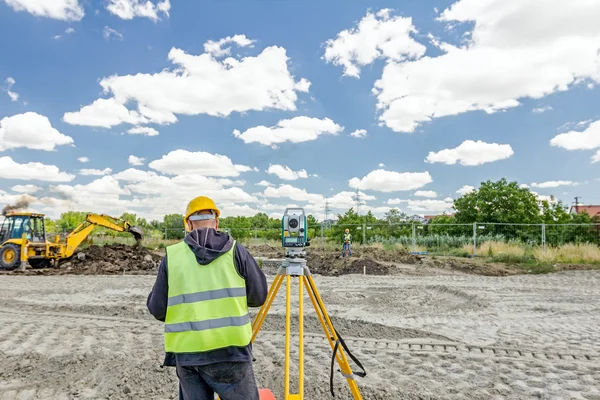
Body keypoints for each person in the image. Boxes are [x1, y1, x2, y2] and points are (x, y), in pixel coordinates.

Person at [147, 196, 268, 400]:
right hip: (231, 353)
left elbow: (158, 309)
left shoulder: (173, 257)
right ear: (217, 222)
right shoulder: (236, 251)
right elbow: (258, 296)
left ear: (188, 224)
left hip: (188, 356)